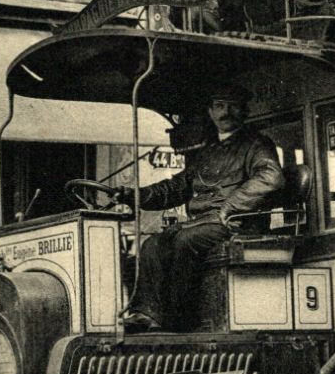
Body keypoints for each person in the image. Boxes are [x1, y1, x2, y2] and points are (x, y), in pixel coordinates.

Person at [117, 83, 284, 332]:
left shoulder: (257, 145)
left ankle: (178, 321)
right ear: (210, 112)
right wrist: (135, 195)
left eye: (232, 106)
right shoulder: (207, 152)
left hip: (238, 222)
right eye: (219, 106)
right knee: (152, 244)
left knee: (186, 240)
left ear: (244, 111)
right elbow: (178, 187)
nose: (225, 112)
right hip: (205, 223)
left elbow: (271, 177)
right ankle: (147, 313)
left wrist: (230, 207)